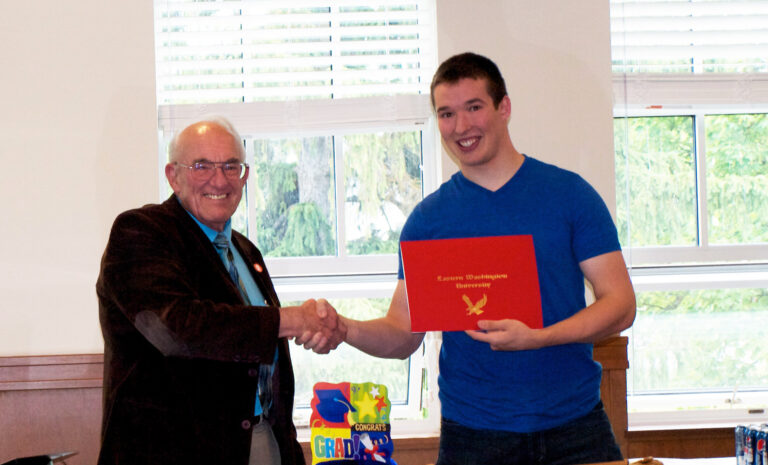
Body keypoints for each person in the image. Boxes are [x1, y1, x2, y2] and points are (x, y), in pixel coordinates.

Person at [338, 52, 637, 465]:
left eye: (473, 107)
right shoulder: (428, 222)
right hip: (473, 439)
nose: (460, 126)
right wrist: (343, 327)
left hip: (575, 428)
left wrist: (539, 336)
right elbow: (403, 333)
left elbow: (620, 305)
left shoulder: (570, 195)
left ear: (504, 108)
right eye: (446, 113)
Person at [96, 117, 345, 465]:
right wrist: (291, 320)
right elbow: (175, 328)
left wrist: (312, 327)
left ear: (244, 176)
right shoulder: (141, 233)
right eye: (202, 166)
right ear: (173, 175)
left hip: (261, 441)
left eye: (231, 166)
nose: (219, 179)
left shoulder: (245, 251)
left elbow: (261, 351)